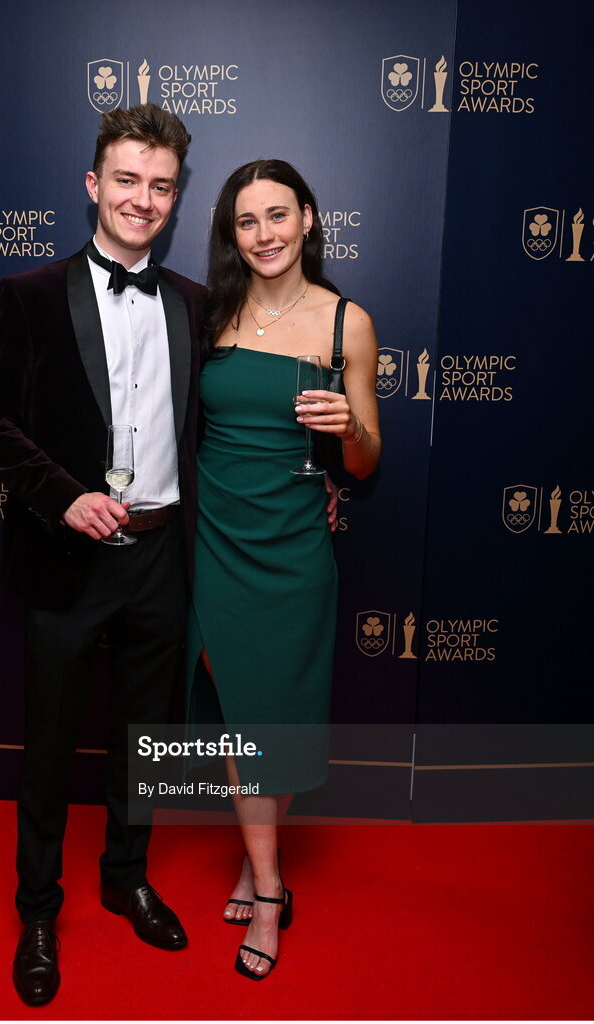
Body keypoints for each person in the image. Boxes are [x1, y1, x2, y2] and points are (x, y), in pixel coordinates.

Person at [0, 104, 206, 1007]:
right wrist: (64, 495)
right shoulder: (27, 296)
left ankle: (125, 877)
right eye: (126, 180)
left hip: (158, 557)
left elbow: (215, 430)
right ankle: (38, 907)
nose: (141, 199)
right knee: (51, 745)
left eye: (160, 185)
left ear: (175, 196)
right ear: (92, 184)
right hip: (66, 559)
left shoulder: (192, 302)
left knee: (144, 741)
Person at [187, 159, 381, 980]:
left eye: (277, 215)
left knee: (279, 713)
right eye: (245, 221)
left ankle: (260, 879)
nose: (263, 234)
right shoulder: (209, 313)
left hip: (294, 547)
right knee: (238, 711)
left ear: (306, 218)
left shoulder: (347, 325)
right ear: (231, 235)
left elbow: (366, 462)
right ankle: (267, 875)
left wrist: (347, 428)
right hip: (210, 543)